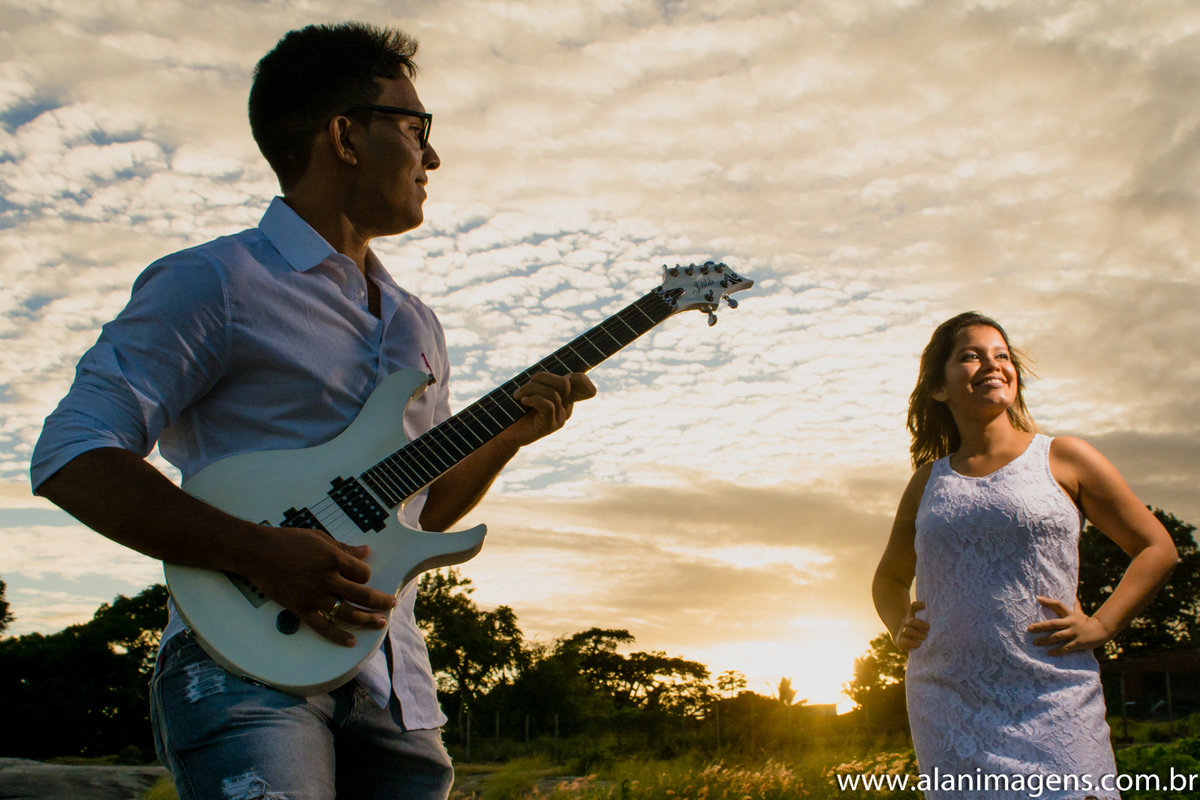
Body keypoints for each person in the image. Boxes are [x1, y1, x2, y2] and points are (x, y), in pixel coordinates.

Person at [30, 22, 595, 800]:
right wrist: (258, 552)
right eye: (414, 127)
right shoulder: (216, 282)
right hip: (246, 670)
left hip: (396, 687)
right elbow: (72, 452)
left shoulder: (416, 323)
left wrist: (507, 440)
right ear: (345, 136)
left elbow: (421, 517)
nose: (432, 157)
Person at [873, 312, 1178, 800]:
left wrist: (1102, 625)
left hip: (1054, 695)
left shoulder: (1064, 457)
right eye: (970, 356)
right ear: (938, 388)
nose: (992, 364)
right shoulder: (927, 482)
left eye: (1001, 355)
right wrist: (897, 625)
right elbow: (888, 578)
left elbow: (1157, 548)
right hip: (946, 699)